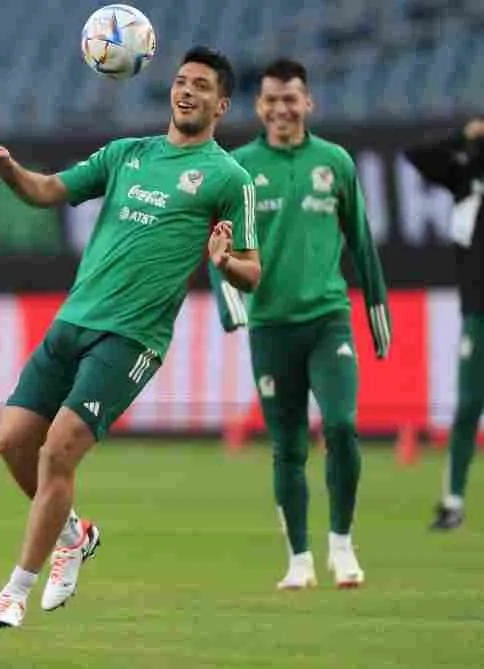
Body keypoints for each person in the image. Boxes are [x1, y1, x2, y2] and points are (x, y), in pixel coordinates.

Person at [0, 46, 261, 629]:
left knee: (58, 450)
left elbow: (253, 271)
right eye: (180, 82)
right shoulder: (126, 154)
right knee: (11, 443)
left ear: (221, 104)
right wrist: (8, 170)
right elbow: (47, 190)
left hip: (133, 338)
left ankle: (13, 592)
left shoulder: (229, 177)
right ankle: (73, 534)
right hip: (73, 320)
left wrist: (226, 261)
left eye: (201, 86)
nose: (186, 92)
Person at [207, 59, 391, 589]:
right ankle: (299, 561)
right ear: (259, 106)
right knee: (287, 447)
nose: (282, 108)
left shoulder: (334, 162)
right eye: (271, 99)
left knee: (342, 425)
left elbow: (360, 239)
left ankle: (342, 545)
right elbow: (218, 244)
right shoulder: (237, 168)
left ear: (307, 103)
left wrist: (376, 306)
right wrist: (232, 304)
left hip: (328, 320)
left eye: (291, 99)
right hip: (270, 327)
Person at [405, 117, 484, 530]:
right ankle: (452, 501)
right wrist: (465, 136)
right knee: (469, 405)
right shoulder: (469, 171)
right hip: (479, 310)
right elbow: (416, 156)